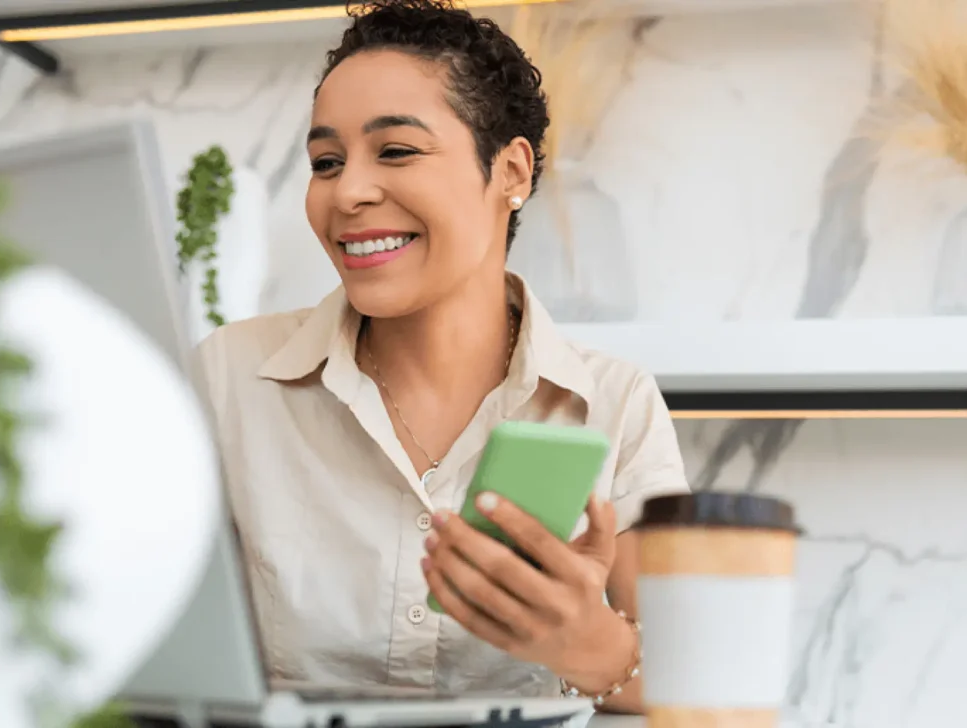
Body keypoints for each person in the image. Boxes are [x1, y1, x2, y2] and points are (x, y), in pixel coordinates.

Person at [197, 0, 689, 714]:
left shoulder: (615, 404)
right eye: (325, 162)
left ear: (511, 171)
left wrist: (589, 642)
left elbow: (695, 688)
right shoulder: (227, 378)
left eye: (395, 150)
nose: (349, 192)